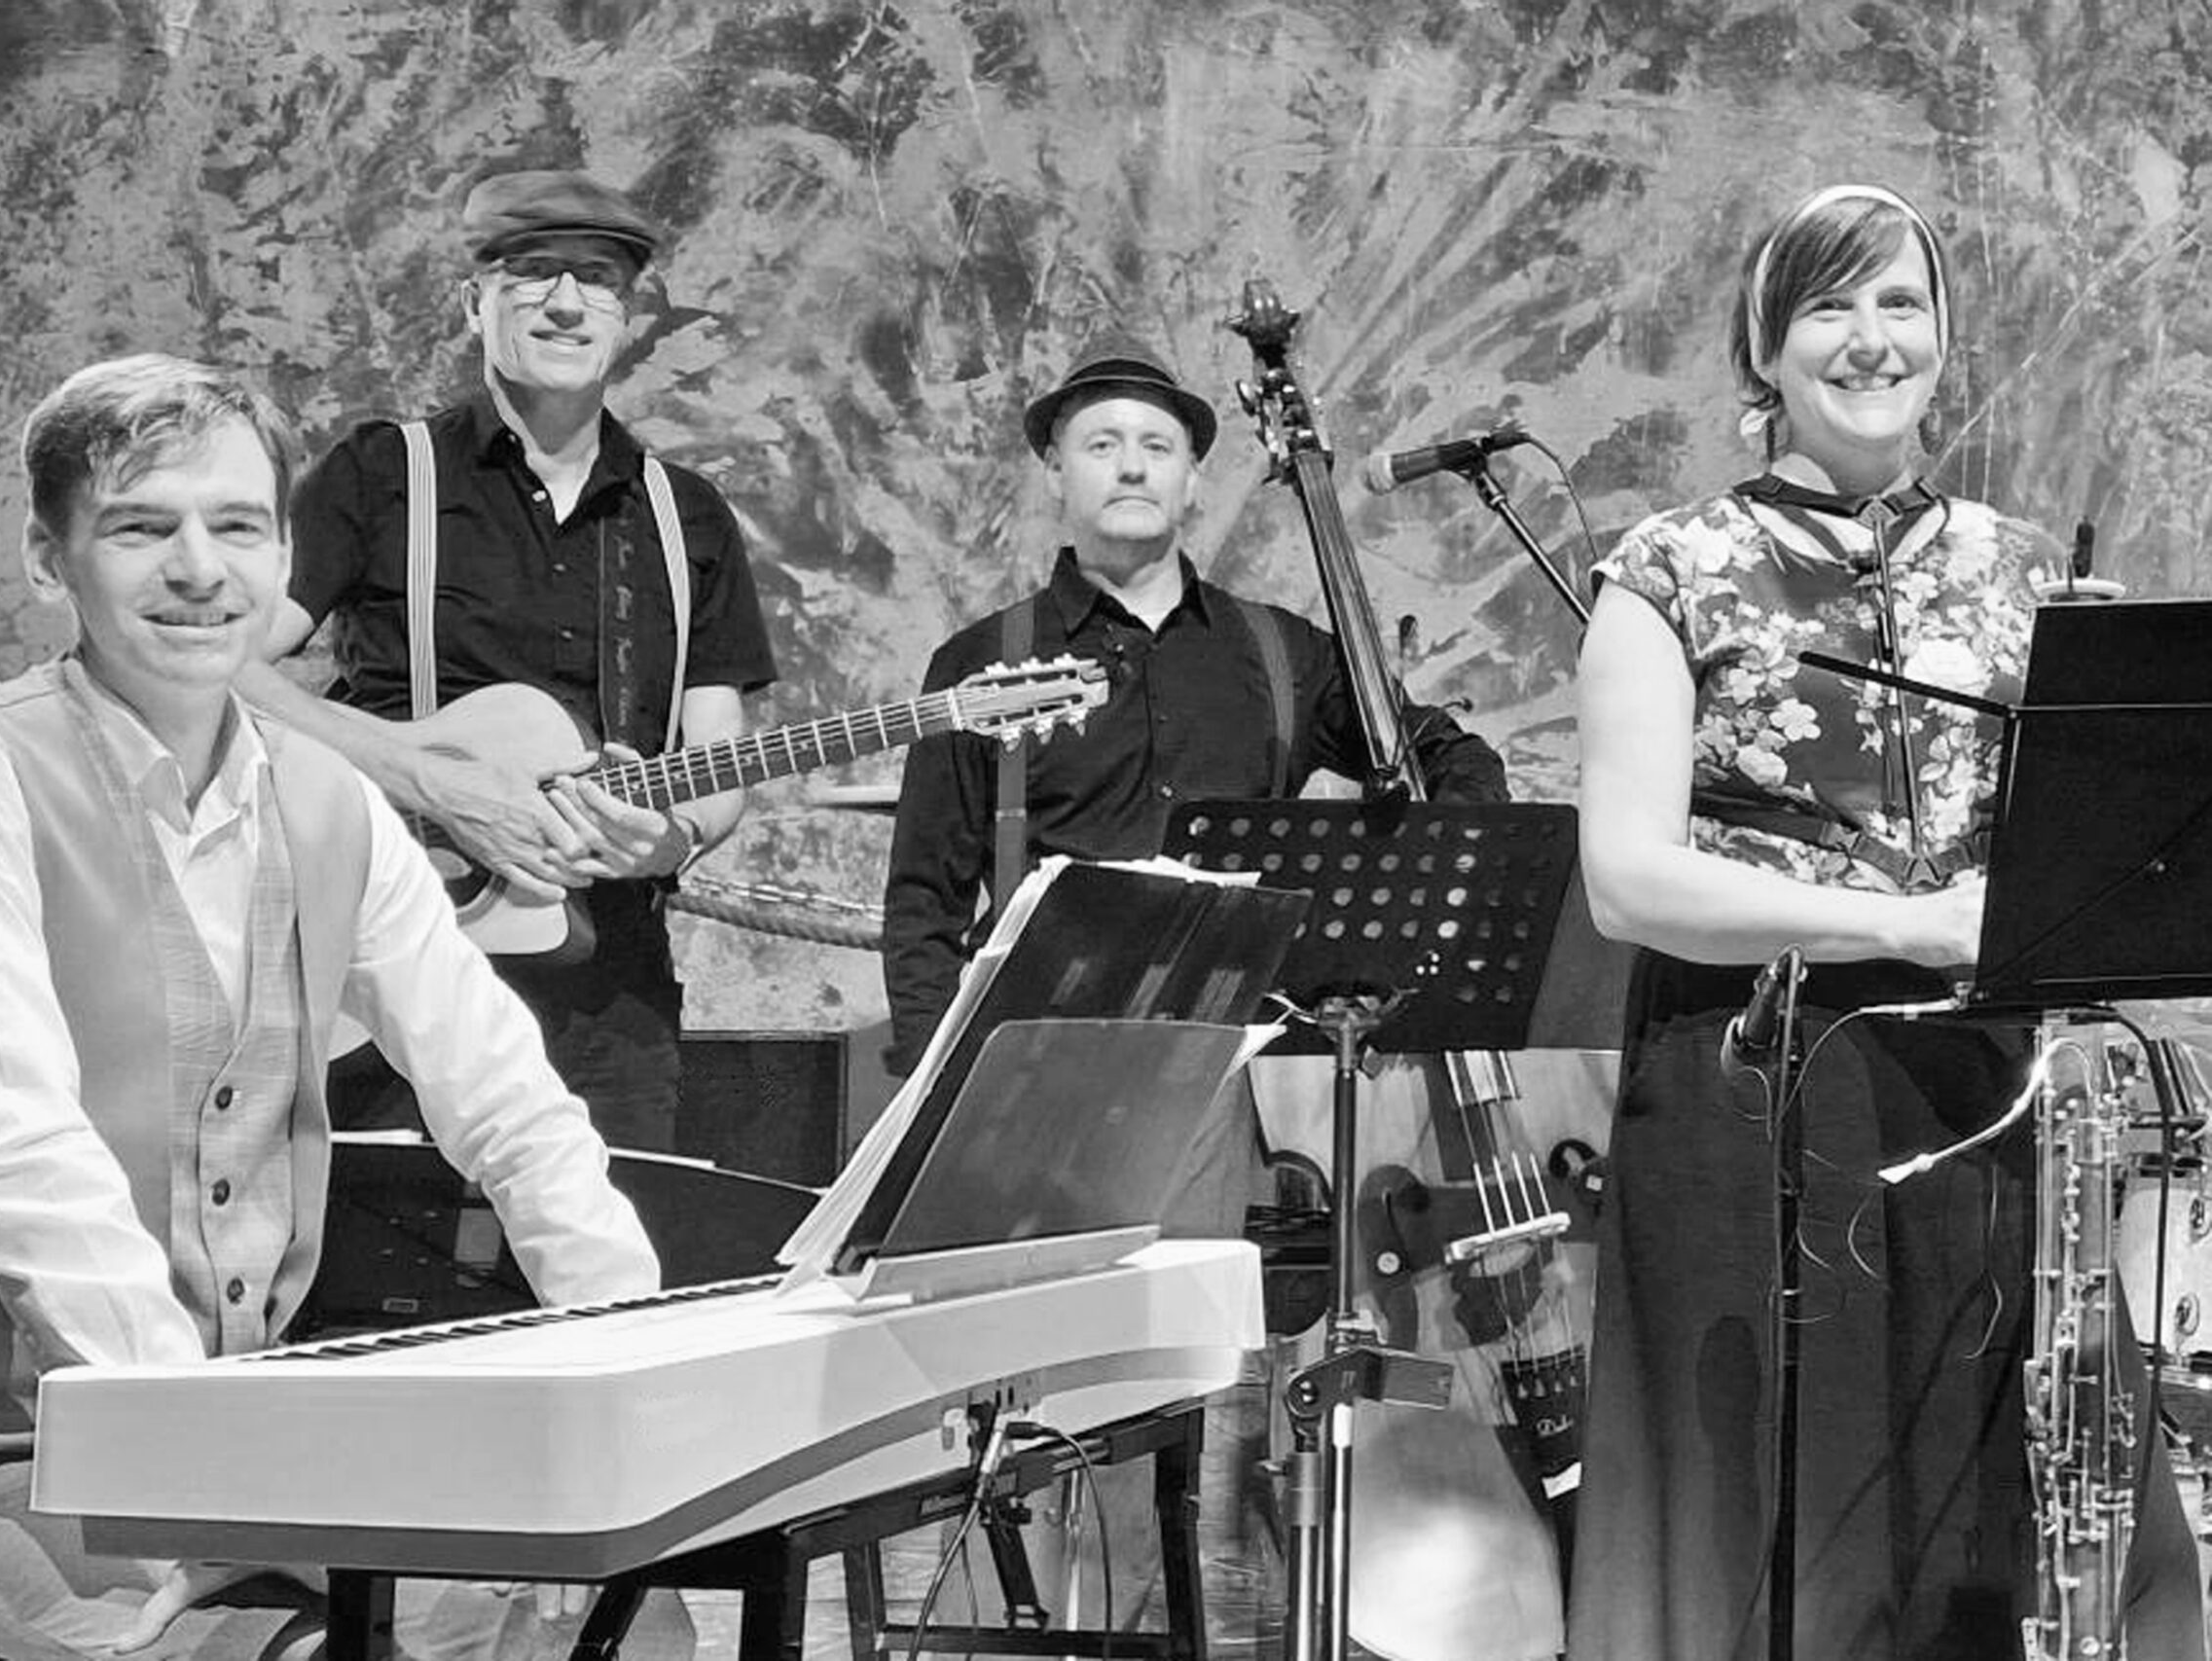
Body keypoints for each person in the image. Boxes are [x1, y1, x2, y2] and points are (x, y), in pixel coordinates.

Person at [0, 355, 661, 1661]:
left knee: (623, 1620)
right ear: (49, 560)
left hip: (231, 1442)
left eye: (238, 525)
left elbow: (509, 1103)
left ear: (282, 554)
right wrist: (209, 1479)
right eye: (142, 527)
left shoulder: (332, 801)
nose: (200, 568)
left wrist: (626, 1379)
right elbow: (9, 1151)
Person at [1567, 184, 2204, 1660]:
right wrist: (1911, 924)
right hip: (1754, 1092)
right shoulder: (1666, 569)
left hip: (1982, 1095)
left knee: (1992, 1519)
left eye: (1901, 302)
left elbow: (2077, 864)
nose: (1871, 338)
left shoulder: (2024, 568)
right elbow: (1626, 880)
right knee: (1764, 1529)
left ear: (1943, 335)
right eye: (1828, 306)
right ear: (1764, 349)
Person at [238, 168, 778, 1153]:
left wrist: (672, 839)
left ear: (627, 317)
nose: (566, 302)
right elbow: (222, 669)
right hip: (389, 978)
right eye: (532, 271)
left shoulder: (688, 515)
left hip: (610, 1003)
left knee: (616, 1249)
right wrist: (430, 781)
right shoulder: (380, 474)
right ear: (471, 302)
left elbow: (716, 759)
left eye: (597, 278)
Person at [879, 337, 1509, 1076]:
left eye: (1157, 446)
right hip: (1040, 1065)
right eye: (1102, 445)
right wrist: (938, 1083)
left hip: (1233, 1069)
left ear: (1192, 477)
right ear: (1054, 470)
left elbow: (1450, 755)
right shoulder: (980, 662)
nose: (1132, 467)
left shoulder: (1284, 653)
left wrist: (1415, 867)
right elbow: (924, 906)